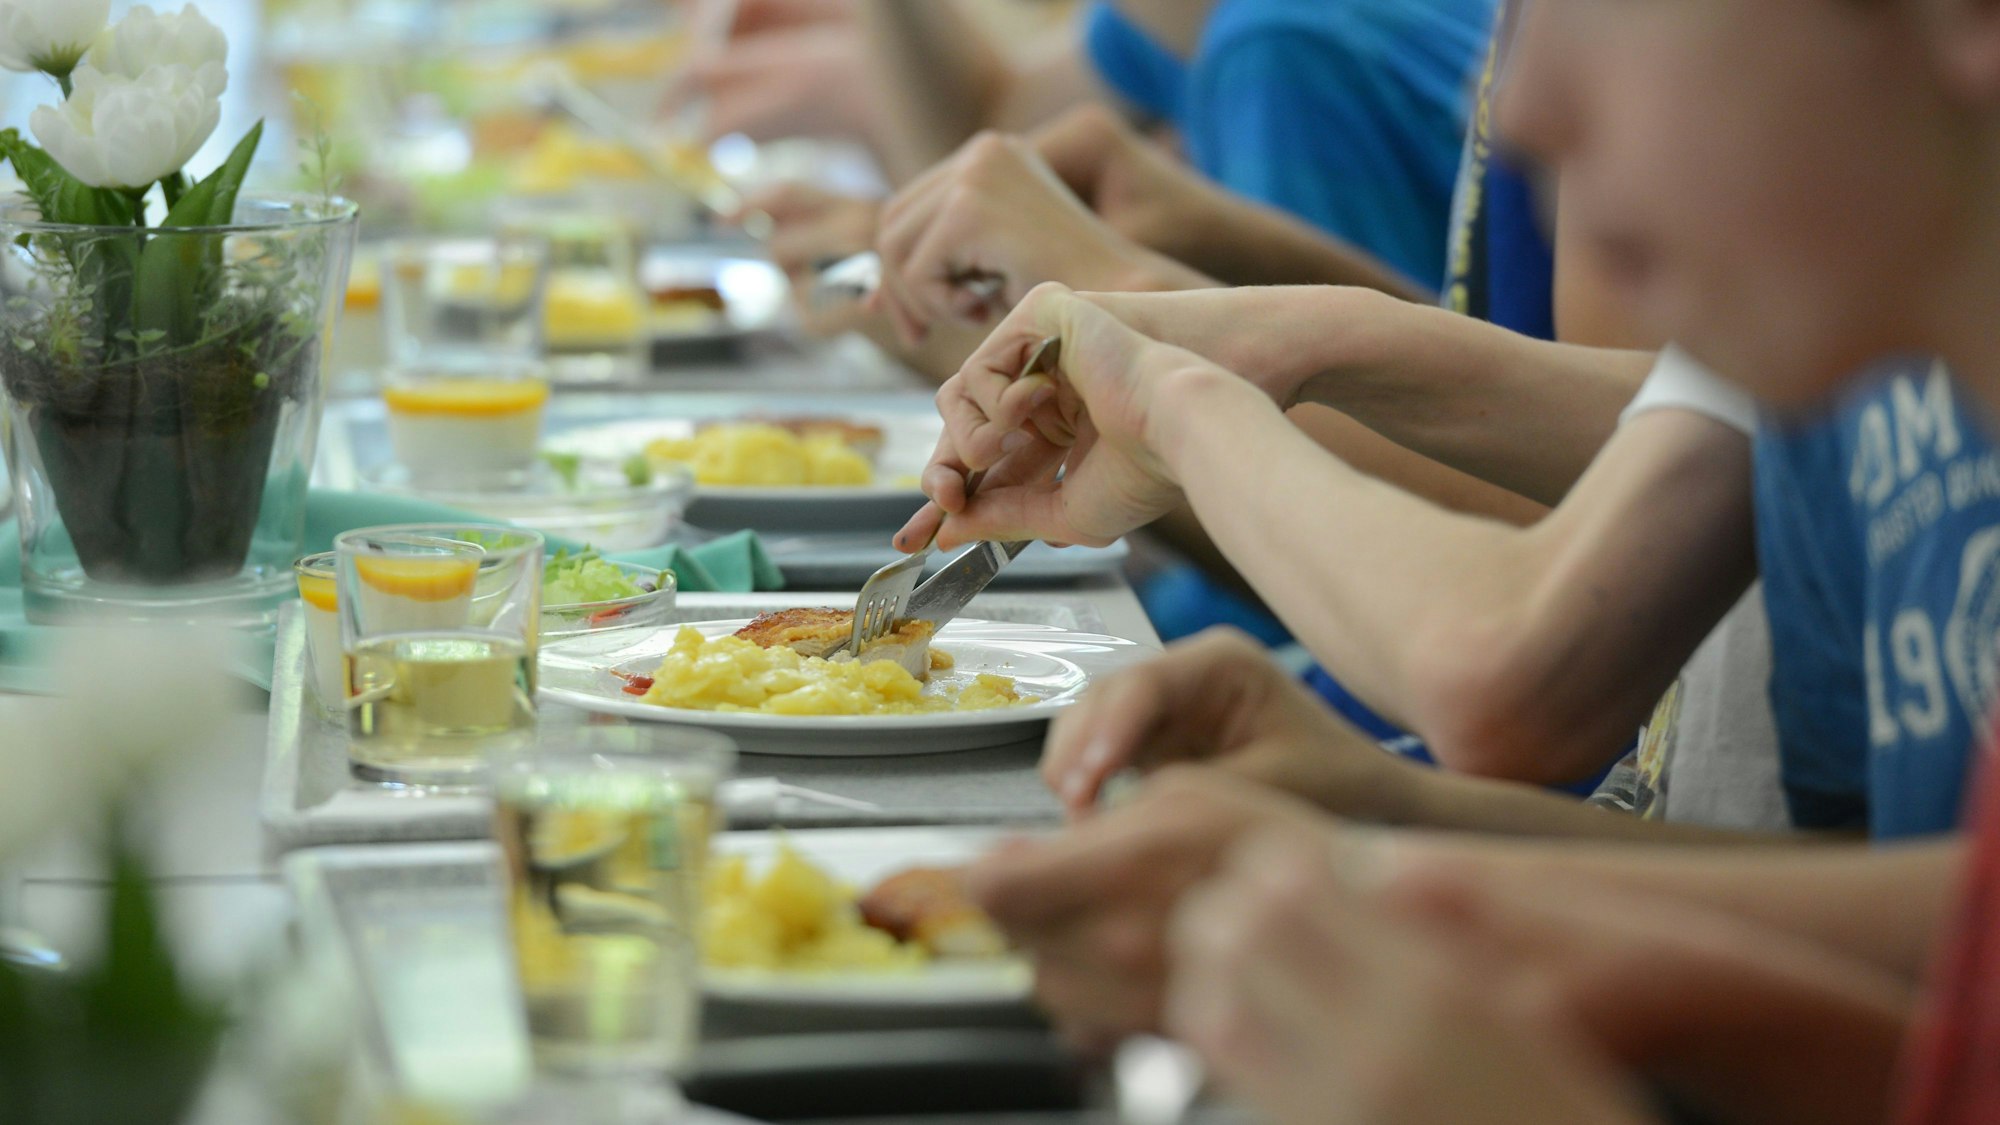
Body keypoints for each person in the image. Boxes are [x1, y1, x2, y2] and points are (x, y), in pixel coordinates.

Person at [942, 0, 2000, 1116]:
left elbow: (1507, 670)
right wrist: (1409, 829)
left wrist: (1182, 405)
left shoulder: (1290, 41)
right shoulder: (1834, 321)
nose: (1520, 111)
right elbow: (1938, 938)